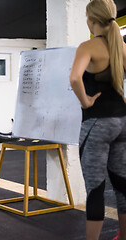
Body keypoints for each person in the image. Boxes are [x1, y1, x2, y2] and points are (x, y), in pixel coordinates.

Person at [69, 0, 126, 239]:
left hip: (97, 124)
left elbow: (74, 79)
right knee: (122, 184)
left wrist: (85, 102)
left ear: (91, 20)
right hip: (122, 122)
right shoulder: (121, 46)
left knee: (95, 188)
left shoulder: (88, 46)